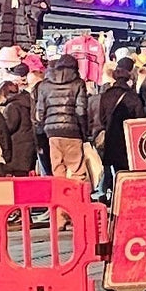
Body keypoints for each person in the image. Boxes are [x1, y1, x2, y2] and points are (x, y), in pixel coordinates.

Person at [35, 56, 95, 218]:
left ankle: (60, 216)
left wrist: (42, 131)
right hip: (72, 131)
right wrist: (84, 133)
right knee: (77, 173)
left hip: (52, 133)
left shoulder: (44, 85)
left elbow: (39, 113)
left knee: (58, 174)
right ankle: (78, 212)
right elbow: (81, 111)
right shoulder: (77, 83)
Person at [98, 57, 146, 188]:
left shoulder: (106, 95)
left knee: (115, 169)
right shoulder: (132, 96)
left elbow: (102, 118)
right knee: (127, 169)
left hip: (111, 137)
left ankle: (115, 192)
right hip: (128, 139)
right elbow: (140, 118)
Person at [0, 73, 37, 177]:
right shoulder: (27, 102)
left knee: (18, 179)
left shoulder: (12, 106)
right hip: (28, 143)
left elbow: (9, 127)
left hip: (17, 147)